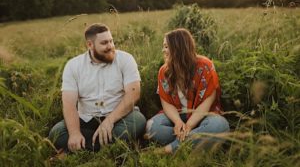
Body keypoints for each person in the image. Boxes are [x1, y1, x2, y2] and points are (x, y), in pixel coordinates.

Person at [49, 23, 146, 153]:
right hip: (87, 120)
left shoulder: (125, 59)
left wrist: (109, 121)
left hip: (119, 117)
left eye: (111, 41)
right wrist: (74, 133)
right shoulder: (73, 66)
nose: (110, 46)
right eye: (104, 43)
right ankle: (108, 146)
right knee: (57, 133)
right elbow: (69, 104)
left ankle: (80, 150)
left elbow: (133, 94)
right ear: (90, 45)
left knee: (138, 121)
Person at [145, 28, 229, 153]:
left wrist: (189, 126)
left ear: (178, 48)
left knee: (219, 126)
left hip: (202, 117)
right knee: (151, 127)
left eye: (166, 47)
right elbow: (166, 103)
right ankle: (196, 141)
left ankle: (169, 149)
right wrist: (178, 122)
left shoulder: (205, 66)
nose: (163, 50)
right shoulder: (164, 71)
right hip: (177, 116)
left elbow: (207, 102)